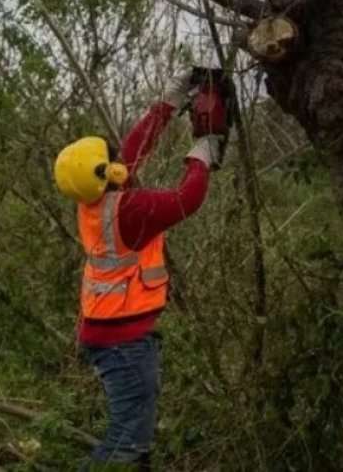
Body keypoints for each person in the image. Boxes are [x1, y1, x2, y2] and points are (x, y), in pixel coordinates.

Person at [54, 72, 227, 471]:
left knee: (134, 430)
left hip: (111, 331)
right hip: (123, 340)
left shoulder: (95, 199)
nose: (119, 160)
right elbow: (188, 198)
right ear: (107, 173)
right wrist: (202, 152)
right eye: (111, 159)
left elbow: (133, 149)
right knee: (127, 439)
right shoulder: (131, 210)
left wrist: (170, 100)